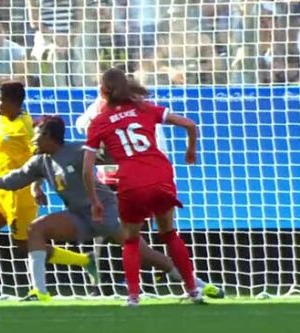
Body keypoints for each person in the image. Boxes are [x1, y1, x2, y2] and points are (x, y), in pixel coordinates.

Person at [0, 115, 180, 302]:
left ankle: (195, 283)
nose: (34, 141)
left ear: (49, 136)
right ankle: (40, 292)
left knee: (146, 255)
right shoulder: (40, 161)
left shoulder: (80, 151)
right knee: (36, 229)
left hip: (105, 213)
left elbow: (114, 155)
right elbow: (10, 181)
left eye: (37, 135)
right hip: (79, 216)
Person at [76, 85, 224, 299]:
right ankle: (106, 284)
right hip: (133, 177)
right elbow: (82, 125)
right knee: (127, 234)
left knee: (133, 237)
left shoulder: (123, 113)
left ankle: (140, 289)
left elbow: (85, 140)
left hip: (130, 178)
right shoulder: (137, 110)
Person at [0, 82, 93, 302]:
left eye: (0, 100)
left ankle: (85, 261)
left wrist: (35, 186)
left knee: (23, 245)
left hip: (20, 192)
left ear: (13, 102)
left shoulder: (26, 125)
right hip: (1, 191)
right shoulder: (3, 119)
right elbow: (7, 146)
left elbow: (39, 156)